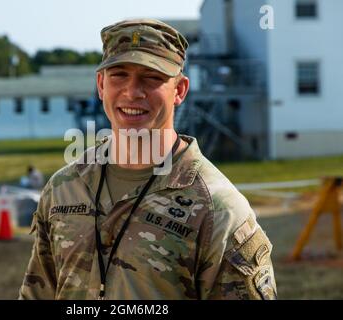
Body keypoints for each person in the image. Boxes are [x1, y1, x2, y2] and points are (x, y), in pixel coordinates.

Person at [19, 19, 276, 300]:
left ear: (179, 90)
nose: (132, 91)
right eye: (119, 75)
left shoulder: (218, 209)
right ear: (101, 84)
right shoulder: (63, 188)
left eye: (152, 77)